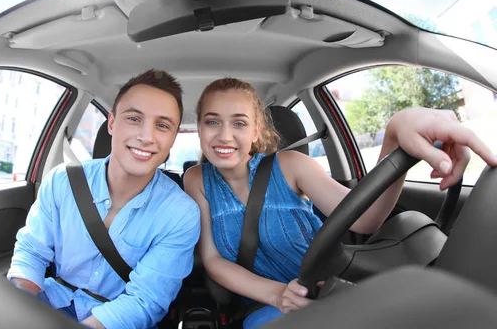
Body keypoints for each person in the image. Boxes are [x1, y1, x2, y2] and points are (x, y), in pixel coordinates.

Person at [183, 77, 497, 329]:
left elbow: (366, 220)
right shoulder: (196, 179)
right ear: (199, 128)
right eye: (212, 122)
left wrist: (395, 134)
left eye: (238, 123)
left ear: (256, 132)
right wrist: (278, 295)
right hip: (263, 304)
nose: (224, 135)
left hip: (331, 290)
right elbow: (212, 260)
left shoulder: (291, 165)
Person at [8, 69, 201, 329]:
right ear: (111, 123)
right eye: (134, 118)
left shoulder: (181, 213)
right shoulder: (62, 180)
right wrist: (18, 311)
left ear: (173, 138)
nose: (147, 136)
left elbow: (145, 300)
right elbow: (31, 252)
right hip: (49, 304)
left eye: (162, 125)